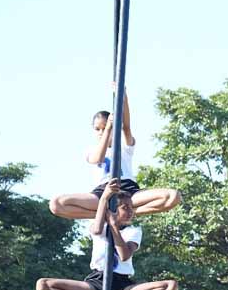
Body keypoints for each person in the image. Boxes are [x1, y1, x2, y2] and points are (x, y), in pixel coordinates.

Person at [35, 180, 179, 290]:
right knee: (43, 286)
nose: (131, 211)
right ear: (113, 210)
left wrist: (114, 227)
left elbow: (124, 255)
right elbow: (97, 231)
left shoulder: (133, 231)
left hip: (122, 286)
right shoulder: (100, 225)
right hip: (97, 282)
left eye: (131, 207)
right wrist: (105, 197)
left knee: (170, 287)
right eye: (125, 208)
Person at [48, 89, 181, 219]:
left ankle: (129, 212)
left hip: (128, 192)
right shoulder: (90, 150)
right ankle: (104, 214)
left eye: (104, 127)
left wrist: (123, 95)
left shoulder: (124, 146)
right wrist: (107, 129)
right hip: (103, 192)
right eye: (97, 129)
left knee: (173, 196)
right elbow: (98, 158)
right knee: (56, 204)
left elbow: (126, 127)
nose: (101, 132)